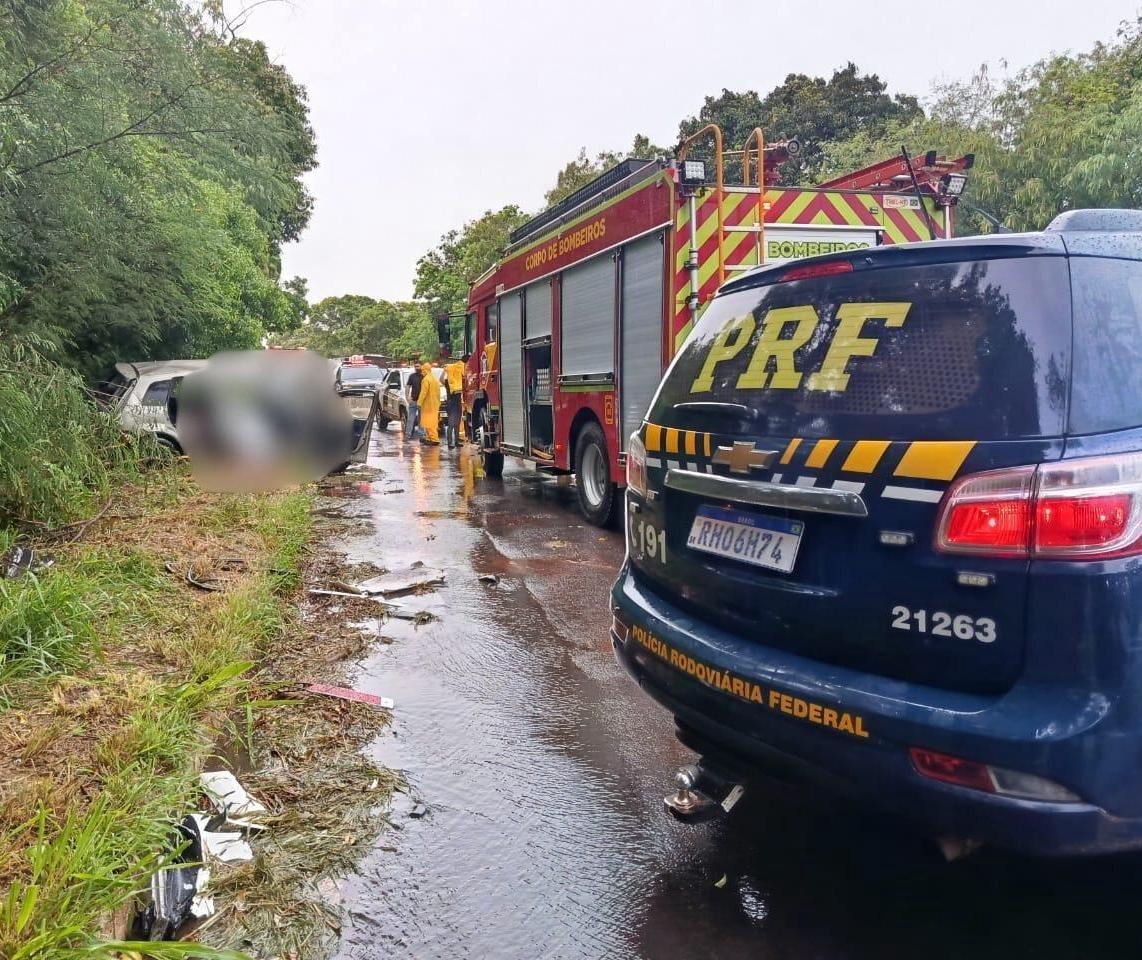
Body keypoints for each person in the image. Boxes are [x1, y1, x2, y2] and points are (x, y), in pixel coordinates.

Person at [417, 361, 441, 445]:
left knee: (428, 422)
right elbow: (438, 393)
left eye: (423, 370)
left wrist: (419, 403)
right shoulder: (435, 379)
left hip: (428, 405)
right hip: (435, 404)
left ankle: (434, 439)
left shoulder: (426, 379)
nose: (422, 372)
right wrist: (438, 402)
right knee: (433, 422)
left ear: (425, 370)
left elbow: (423, 393)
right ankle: (429, 438)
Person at [444, 358, 464, 449]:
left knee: (457, 423)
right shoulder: (449, 382)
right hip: (452, 403)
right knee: (451, 423)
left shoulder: (459, 382)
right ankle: (450, 443)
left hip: (457, 403)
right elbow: (441, 379)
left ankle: (456, 441)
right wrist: (446, 371)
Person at [405, 363, 423, 441]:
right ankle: (408, 435)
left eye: (418, 366)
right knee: (410, 418)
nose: (416, 368)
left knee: (421, 419)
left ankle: (422, 435)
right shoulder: (412, 376)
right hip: (413, 400)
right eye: (415, 366)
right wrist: (407, 397)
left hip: (422, 401)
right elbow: (408, 386)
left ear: (421, 366)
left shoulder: (424, 376)